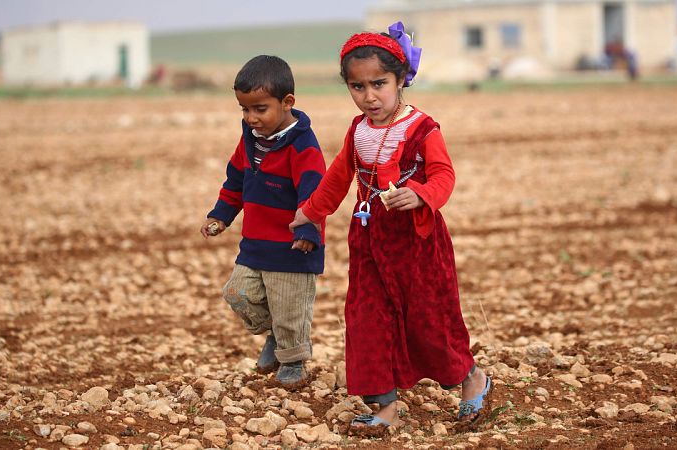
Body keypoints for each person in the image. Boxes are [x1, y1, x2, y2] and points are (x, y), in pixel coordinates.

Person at [289, 22, 490, 432]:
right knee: (367, 320)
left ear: (401, 80)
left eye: (379, 84)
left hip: (417, 242)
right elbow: (337, 178)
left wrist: (421, 195)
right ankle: (385, 407)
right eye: (357, 87)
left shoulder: (422, 128)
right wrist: (309, 212)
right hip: (368, 240)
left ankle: (471, 377)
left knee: (429, 319)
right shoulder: (357, 130)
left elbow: (443, 175)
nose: (369, 96)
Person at [201, 55, 326, 388]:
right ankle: (274, 335)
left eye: (259, 109)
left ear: (287, 103)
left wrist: (307, 228)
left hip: (292, 247)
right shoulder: (250, 141)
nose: (250, 117)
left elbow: (314, 194)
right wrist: (221, 215)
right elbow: (235, 182)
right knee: (237, 294)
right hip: (255, 245)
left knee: (289, 311)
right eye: (244, 109)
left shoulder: (303, 147)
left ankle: (294, 362)